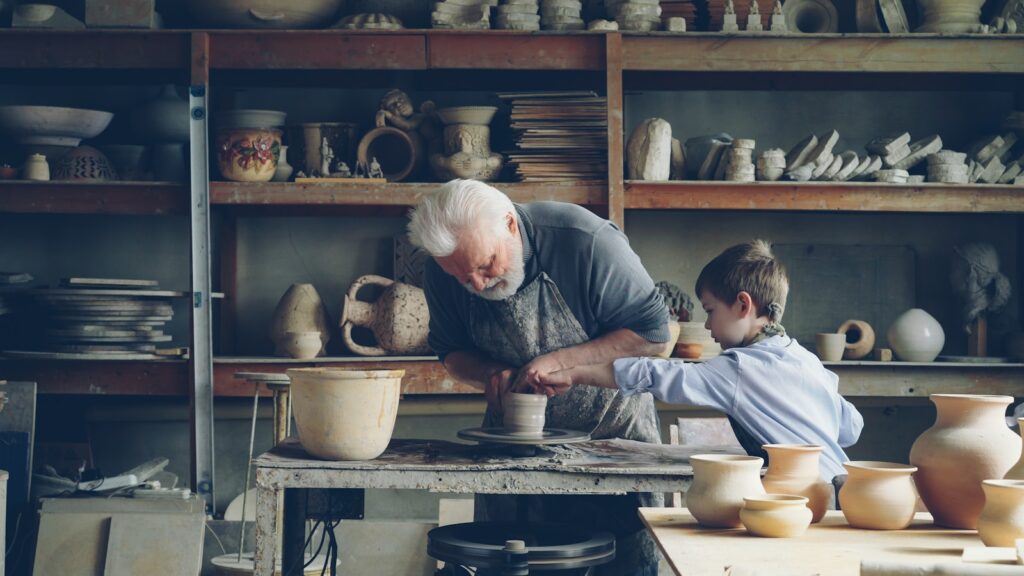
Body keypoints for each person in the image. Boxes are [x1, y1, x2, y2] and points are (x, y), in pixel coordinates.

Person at [408, 179, 672, 576]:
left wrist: (566, 361)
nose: (477, 284)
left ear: (511, 226)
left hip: (612, 448)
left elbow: (653, 334)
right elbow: (451, 351)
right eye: (463, 278)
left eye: (486, 265)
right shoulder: (442, 268)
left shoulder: (586, 241)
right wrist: (489, 373)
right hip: (512, 459)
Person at [533, 240, 864, 481]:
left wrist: (574, 373)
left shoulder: (739, 368)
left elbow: (655, 375)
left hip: (802, 496)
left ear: (743, 305)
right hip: (840, 485)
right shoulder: (804, 359)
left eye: (710, 311)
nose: (707, 325)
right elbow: (851, 428)